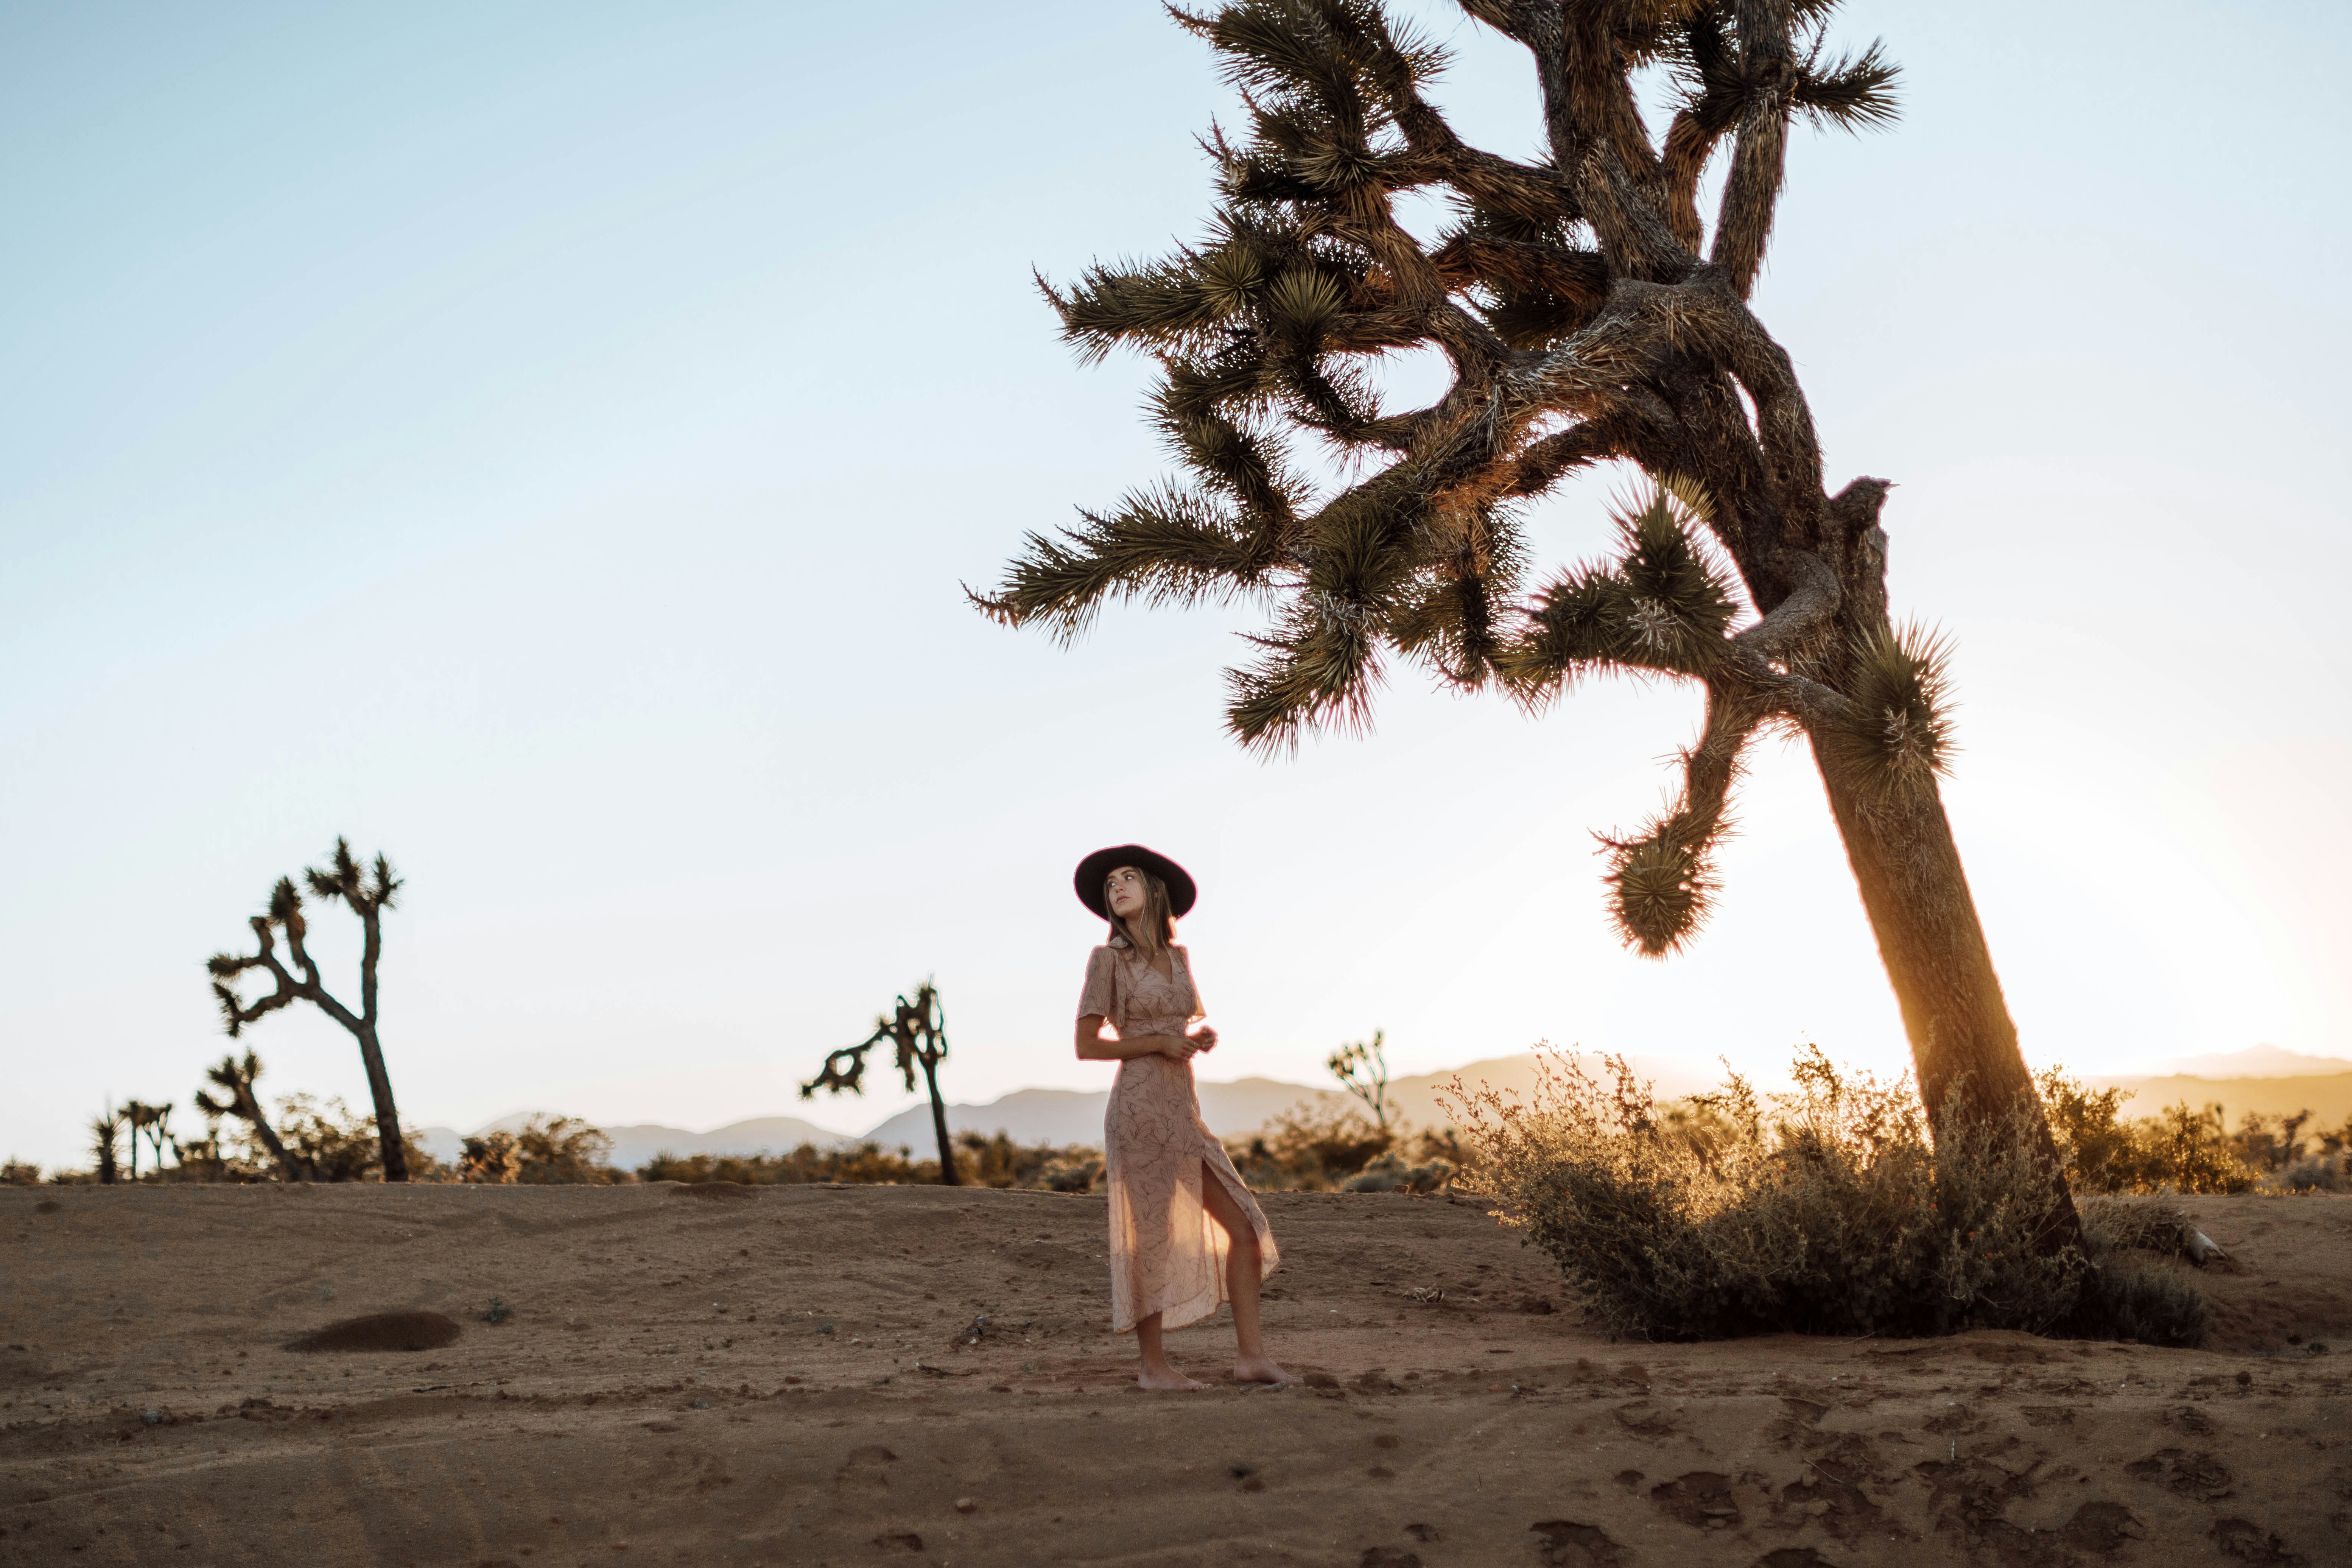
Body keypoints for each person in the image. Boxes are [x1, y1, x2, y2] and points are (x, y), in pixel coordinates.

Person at [1072, 845, 1298, 1390]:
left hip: (1184, 1110)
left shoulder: (1179, 960)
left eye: (1128, 878)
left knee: (1245, 1230)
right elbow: (1086, 1045)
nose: (1117, 888)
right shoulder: (1109, 962)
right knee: (1149, 1238)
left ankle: (1251, 1358)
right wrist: (1157, 1042)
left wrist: (1196, 1039)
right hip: (1139, 1110)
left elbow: (1178, 1029)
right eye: (1109, 885)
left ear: (1154, 890)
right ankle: (1154, 1369)